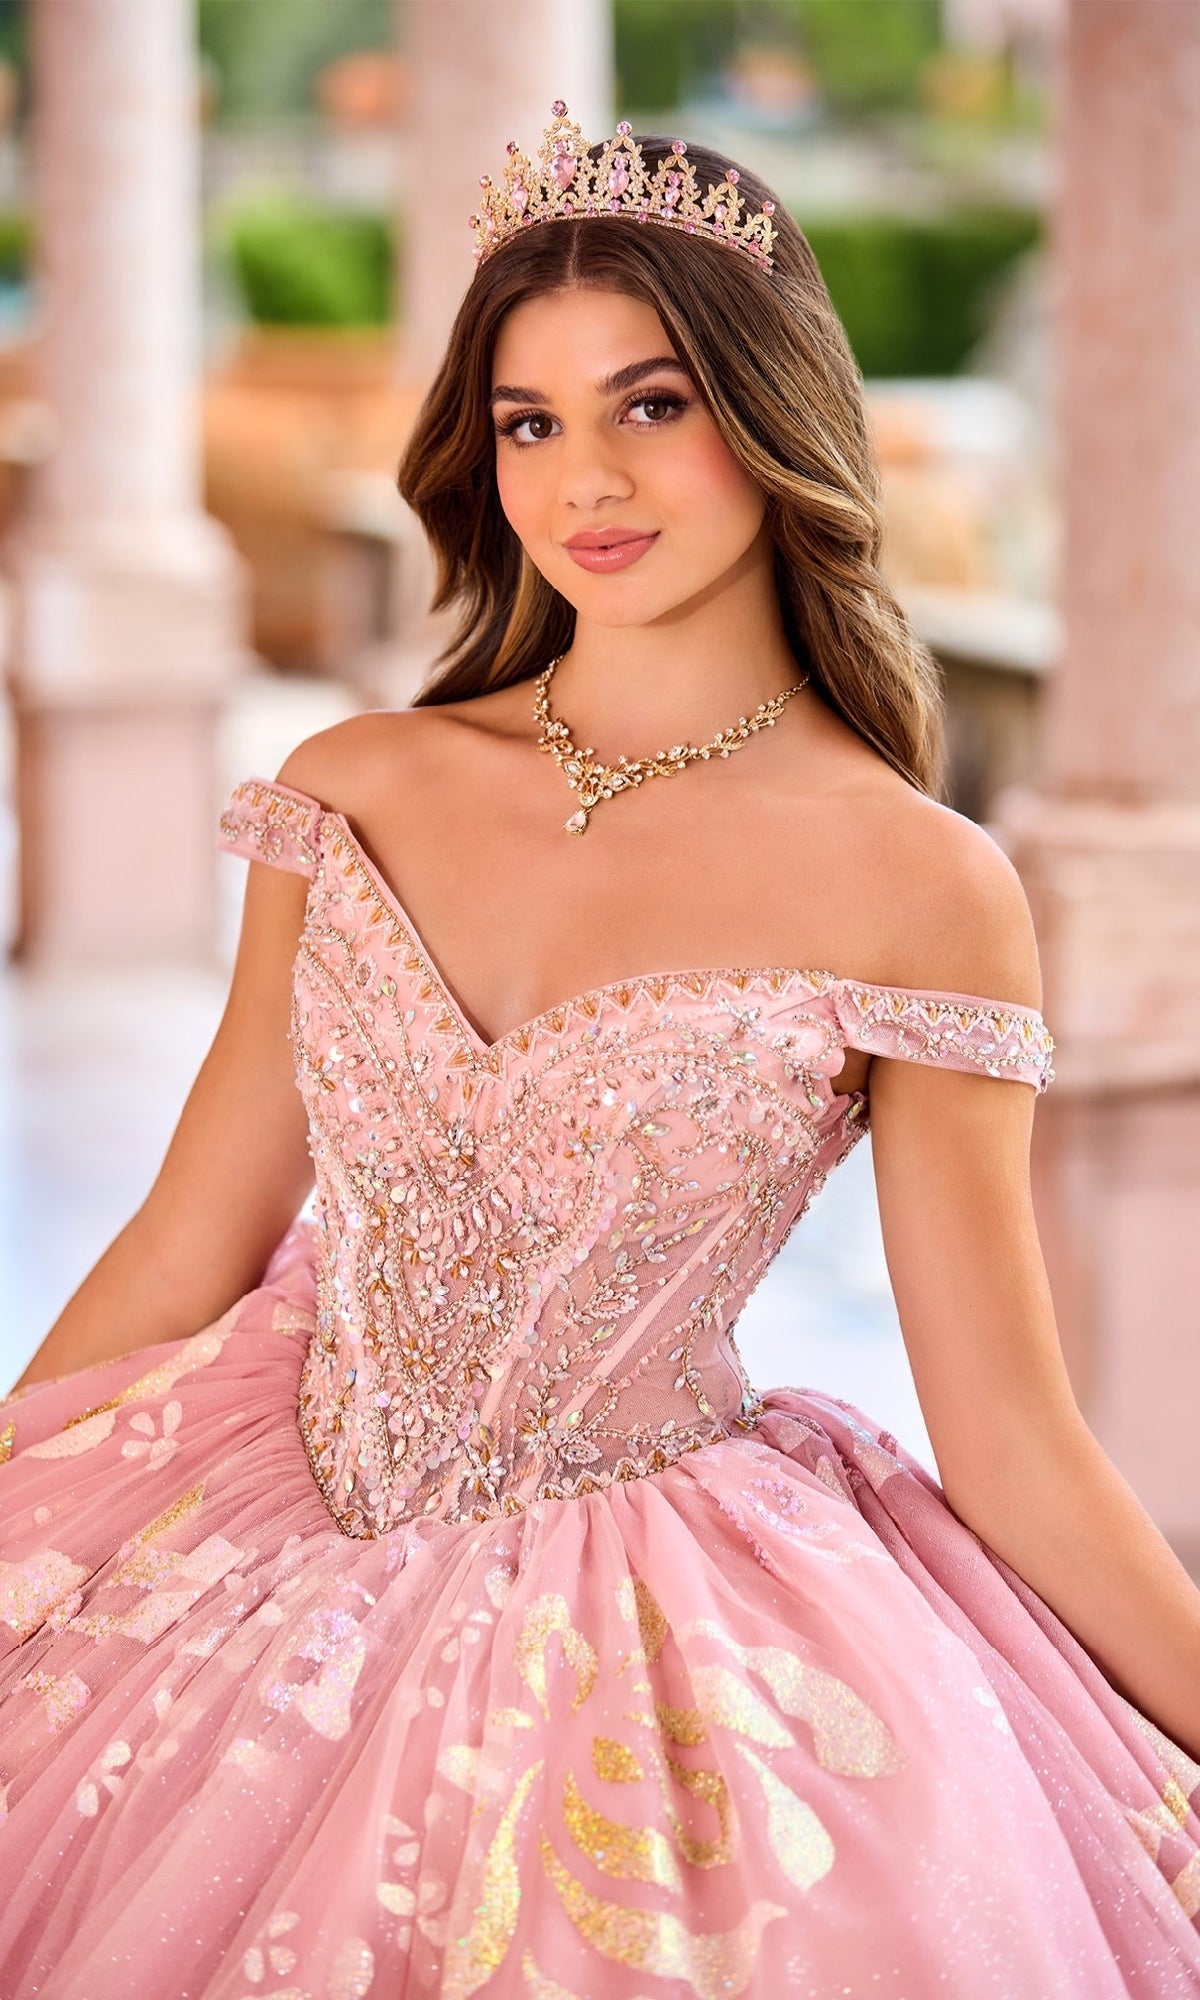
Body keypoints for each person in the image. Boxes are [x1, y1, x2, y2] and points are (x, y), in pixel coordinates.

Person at [1, 101, 1198, 2000]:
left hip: (653, 1639)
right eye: (532, 419)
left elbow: (1014, 1436)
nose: (587, 479)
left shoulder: (922, 885)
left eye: (653, 403)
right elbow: (186, 1240)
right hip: (255, 1537)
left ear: (770, 409)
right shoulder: (359, 789)